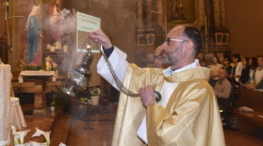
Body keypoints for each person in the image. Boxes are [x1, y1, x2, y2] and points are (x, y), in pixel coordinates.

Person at [90, 25, 224, 146]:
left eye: (169, 41)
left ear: (187, 46)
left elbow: (173, 138)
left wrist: (151, 106)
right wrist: (108, 47)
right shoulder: (160, 77)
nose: (163, 47)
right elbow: (128, 76)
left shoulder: (200, 90)